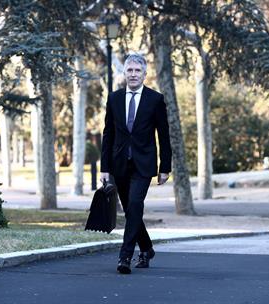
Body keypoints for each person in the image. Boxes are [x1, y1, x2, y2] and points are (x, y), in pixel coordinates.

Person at [100, 53, 172, 274]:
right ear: (124, 73)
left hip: (144, 163)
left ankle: (125, 256)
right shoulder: (113, 99)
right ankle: (147, 248)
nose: (133, 74)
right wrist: (104, 167)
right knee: (131, 210)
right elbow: (108, 133)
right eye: (129, 70)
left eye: (137, 71)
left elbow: (164, 135)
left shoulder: (155, 99)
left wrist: (165, 167)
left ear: (144, 74)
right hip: (119, 163)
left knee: (134, 205)